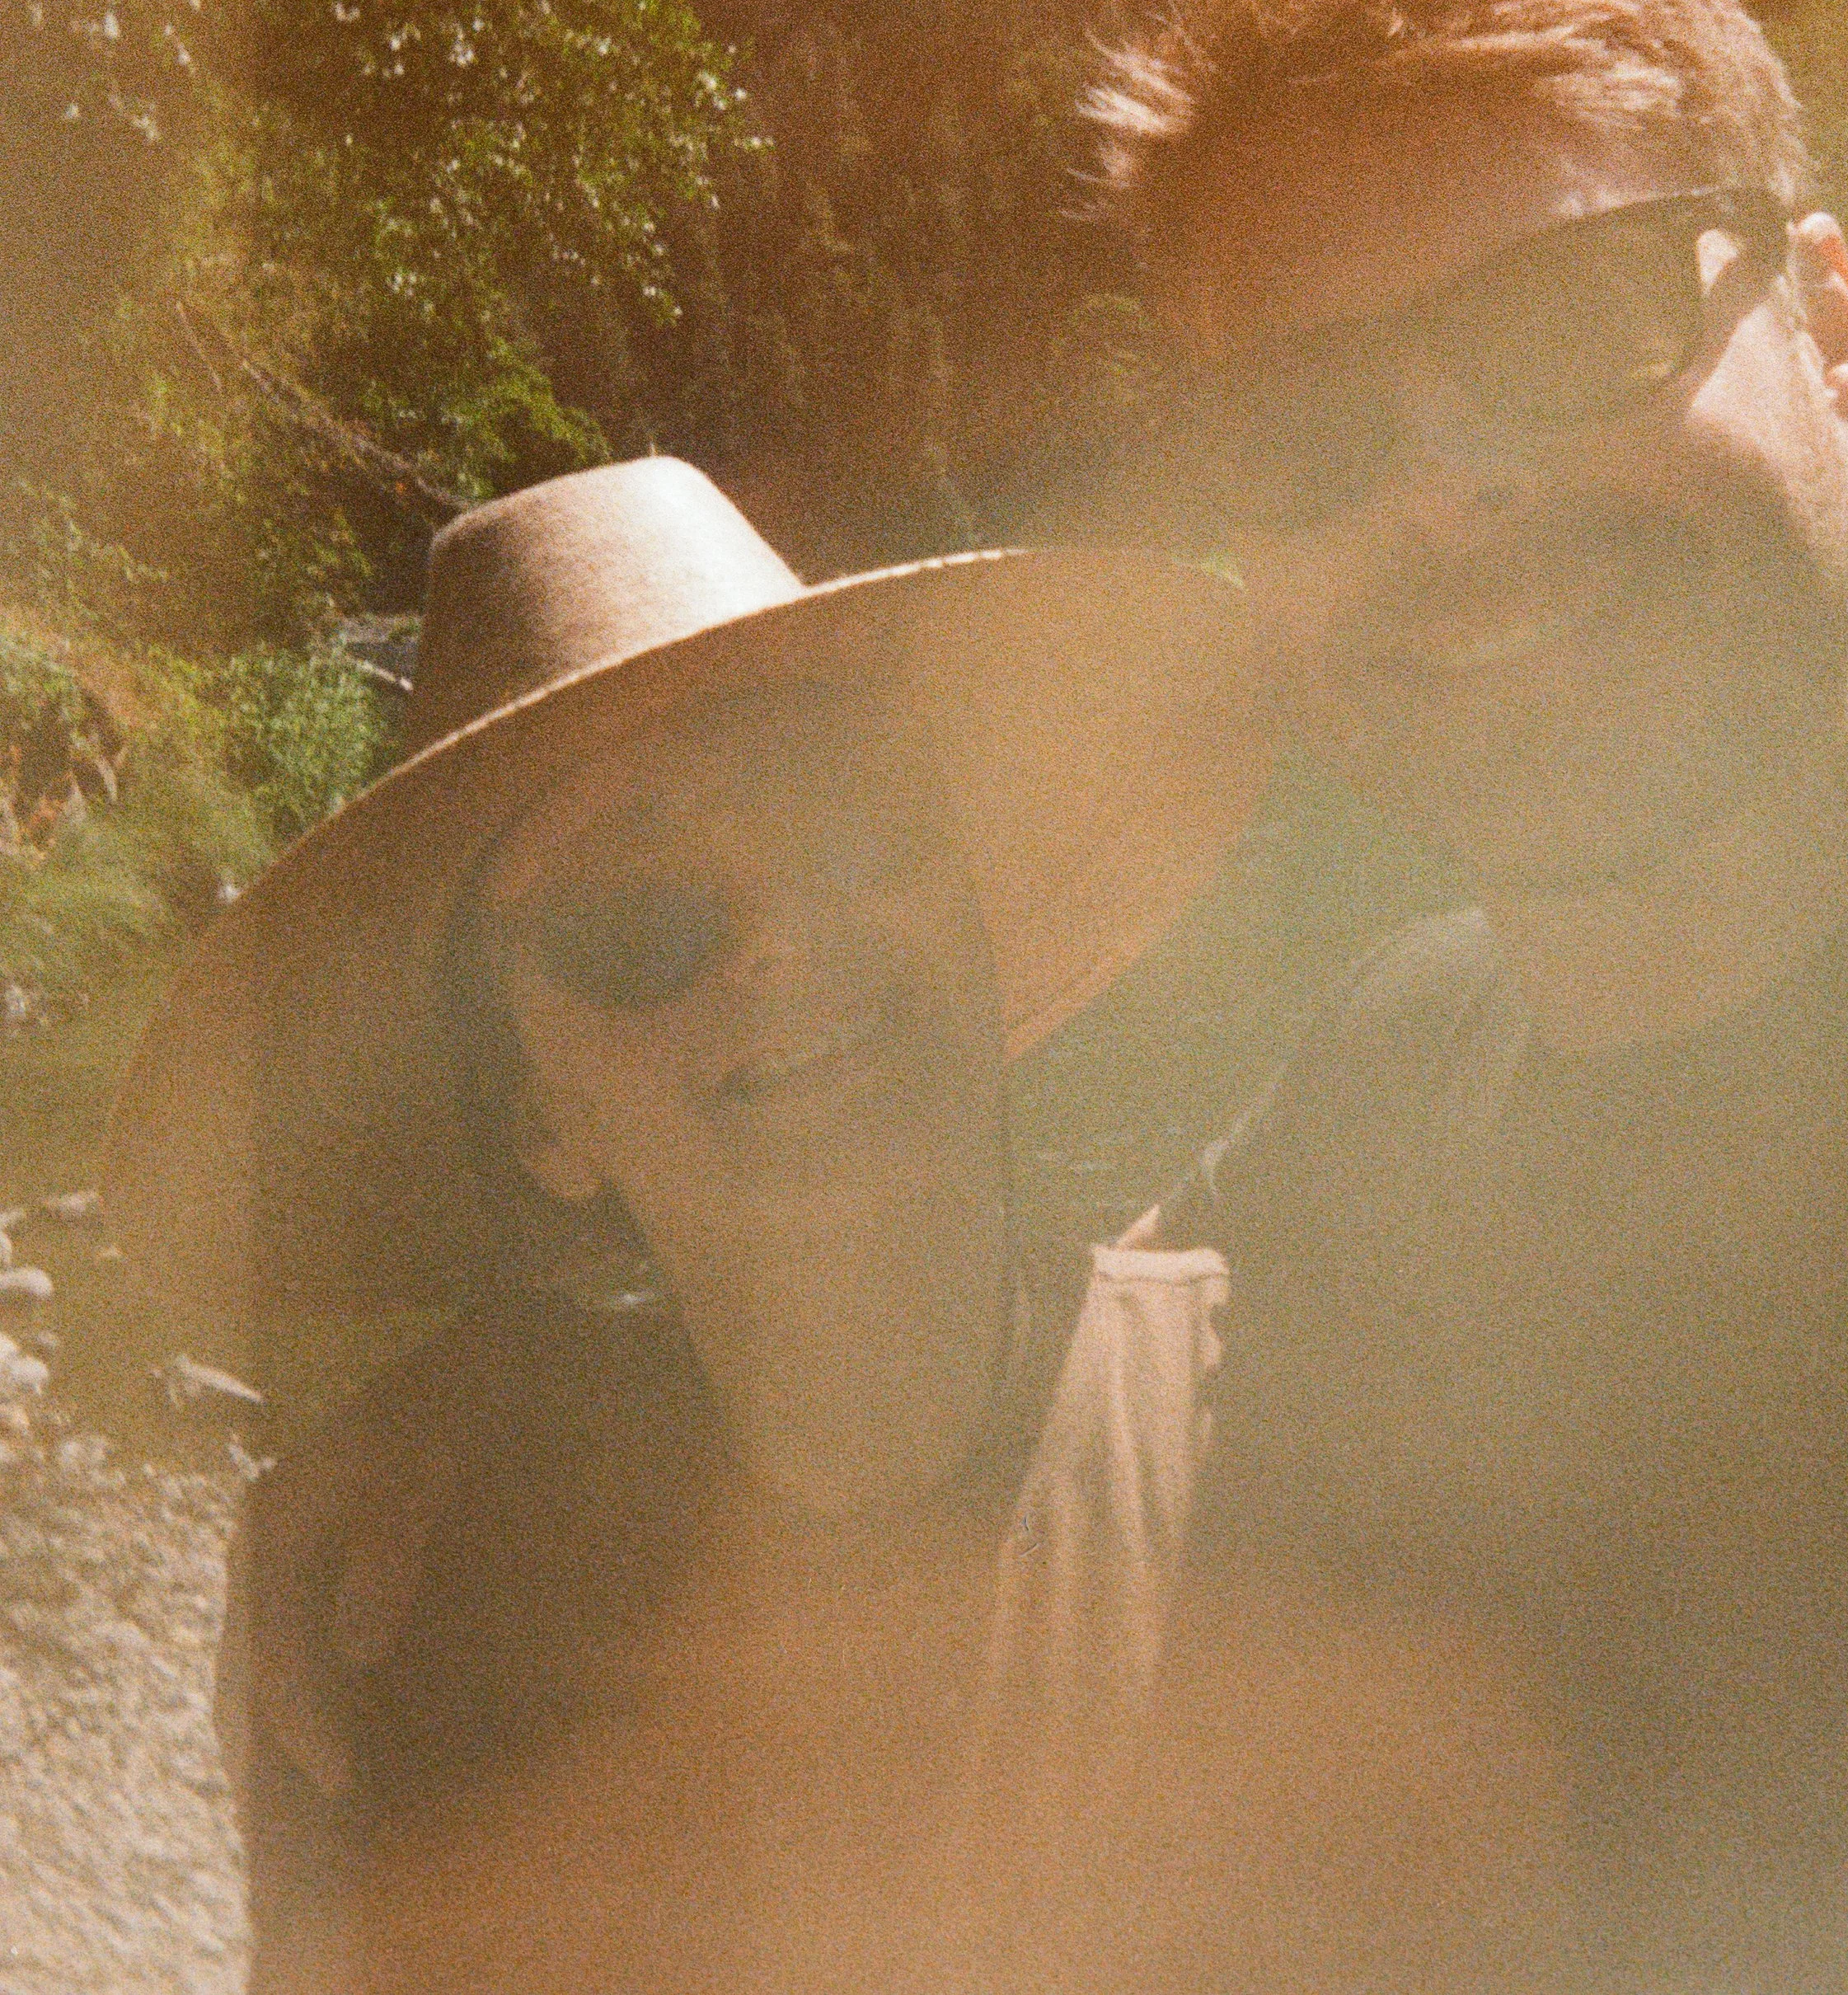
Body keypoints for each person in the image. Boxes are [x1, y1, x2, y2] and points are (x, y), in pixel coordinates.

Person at [1082, 0, 1848, 1990]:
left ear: (1826, 324)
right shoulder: (1391, 1063)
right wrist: (511, 1427)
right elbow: (1071, 1312)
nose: (1445, 487)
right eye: (1308, 424)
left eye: (1561, 320)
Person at [101, 455, 1268, 1992]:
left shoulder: (1289, 1405)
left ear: (964, 887)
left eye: (847, 820)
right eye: (641, 920)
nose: (783, 948)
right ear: (542, 1120)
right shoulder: (416, 1623)